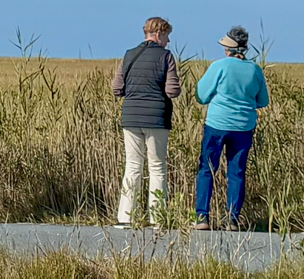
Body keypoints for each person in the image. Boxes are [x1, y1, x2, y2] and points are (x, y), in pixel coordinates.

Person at [193, 26, 270, 230]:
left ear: (229, 48)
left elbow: (201, 95)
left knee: (207, 168)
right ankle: (232, 218)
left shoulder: (219, 67)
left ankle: (202, 217)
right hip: (244, 126)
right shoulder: (255, 70)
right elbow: (262, 101)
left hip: (217, 124)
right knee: (237, 172)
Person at [112, 16, 183, 227]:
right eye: (168, 36)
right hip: (157, 117)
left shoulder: (129, 54)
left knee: (132, 166)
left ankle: (125, 217)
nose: (168, 41)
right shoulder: (166, 57)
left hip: (131, 116)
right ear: (160, 34)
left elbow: (117, 89)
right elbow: (172, 90)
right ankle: (157, 217)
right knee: (157, 166)